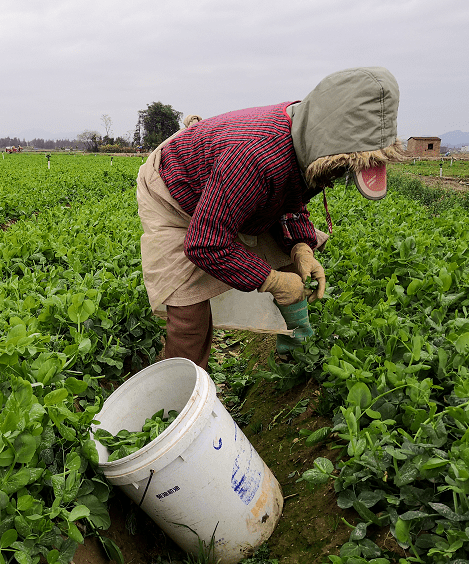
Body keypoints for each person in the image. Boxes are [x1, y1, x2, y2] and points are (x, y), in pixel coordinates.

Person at [136, 66, 403, 370]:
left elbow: (290, 193)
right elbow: (205, 244)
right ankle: (182, 393)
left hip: (229, 185)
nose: (338, 176)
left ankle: (296, 352)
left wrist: (301, 247)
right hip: (174, 190)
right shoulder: (254, 157)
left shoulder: (309, 141)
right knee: (189, 313)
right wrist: (272, 281)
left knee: (291, 260)